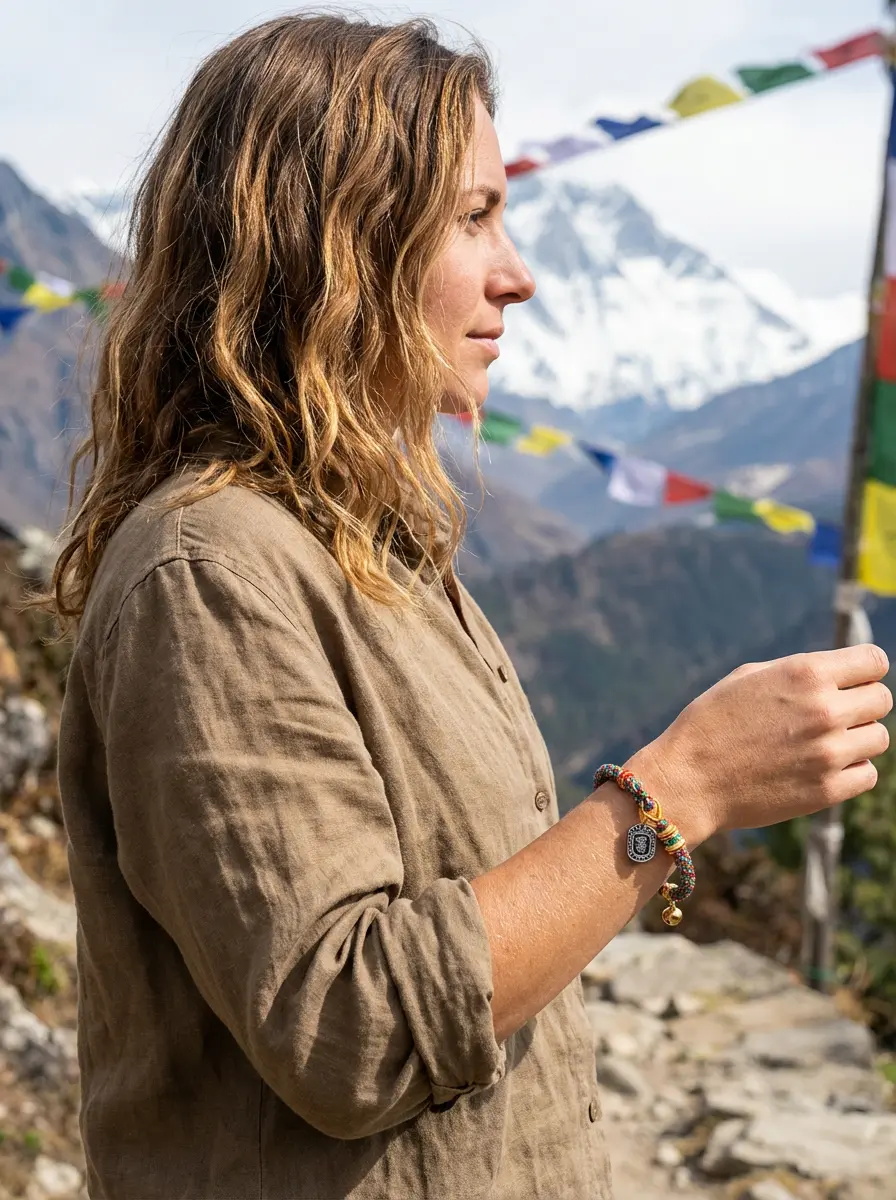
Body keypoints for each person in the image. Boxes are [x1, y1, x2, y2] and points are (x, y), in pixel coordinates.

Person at [49, 14, 891, 1200]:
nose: (518, 272)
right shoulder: (211, 576)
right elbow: (346, 1024)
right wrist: (677, 791)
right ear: (330, 243)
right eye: (471, 216)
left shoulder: (362, 550)